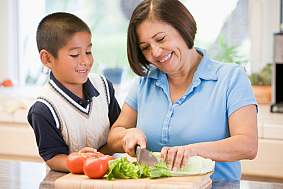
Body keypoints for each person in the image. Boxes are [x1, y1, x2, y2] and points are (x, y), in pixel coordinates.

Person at [107, 0, 258, 181]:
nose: (155, 52)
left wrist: (191, 151)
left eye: (161, 38)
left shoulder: (230, 78)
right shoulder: (144, 84)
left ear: (183, 27)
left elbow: (247, 145)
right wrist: (127, 135)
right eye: (145, 47)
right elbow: (114, 135)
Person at [27, 12, 121, 172]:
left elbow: (118, 129)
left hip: (110, 176)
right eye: (75, 54)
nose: (86, 61)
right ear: (47, 59)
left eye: (89, 52)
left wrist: (125, 138)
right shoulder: (43, 109)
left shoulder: (104, 86)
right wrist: (80, 162)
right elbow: (53, 157)